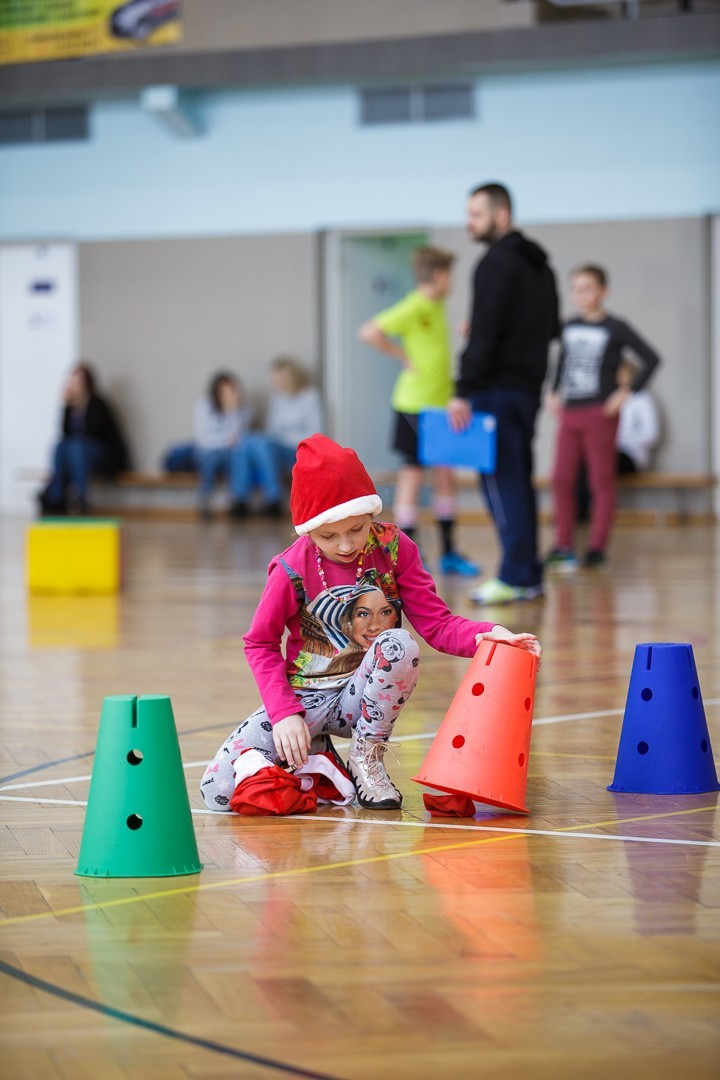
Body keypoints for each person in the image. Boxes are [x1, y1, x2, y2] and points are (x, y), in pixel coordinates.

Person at [200, 433, 541, 814]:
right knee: (216, 790)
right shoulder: (289, 568)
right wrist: (284, 716)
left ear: (371, 515)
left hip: (363, 699)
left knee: (399, 644)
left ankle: (366, 759)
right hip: (305, 700)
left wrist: (487, 634)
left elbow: (437, 624)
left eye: (356, 530)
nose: (345, 545)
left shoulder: (396, 548)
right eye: (329, 535)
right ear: (308, 529)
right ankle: (318, 760)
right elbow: (259, 643)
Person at [448, 182, 560, 606]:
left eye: (476, 214)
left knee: (500, 484)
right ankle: (528, 574)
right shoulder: (541, 266)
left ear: (501, 215)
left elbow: (488, 333)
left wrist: (463, 389)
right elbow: (549, 328)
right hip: (527, 391)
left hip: (494, 391)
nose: (469, 223)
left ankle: (514, 575)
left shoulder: (493, 263)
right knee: (519, 483)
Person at [358, 246, 479, 577]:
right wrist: (400, 354)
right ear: (440, 276)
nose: (451, 282)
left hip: (441, 408)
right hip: (412, 406)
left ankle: (449, 552)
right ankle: (405, 554)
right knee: (412, 474)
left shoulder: (438, 306)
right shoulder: (414, 305)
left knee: (444, 475)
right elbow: (369, 331)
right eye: (450, 276)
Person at [545, 264, 660, 570]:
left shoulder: (615, 327)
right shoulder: (569, 326)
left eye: (587, 288)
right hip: (571, 411)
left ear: (602, 291)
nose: (581, 295)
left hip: (600, 412)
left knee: (600, 480)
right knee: (561, 479)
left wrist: (624, 393)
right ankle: (563, 545)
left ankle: (596, 548)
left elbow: (651, 359)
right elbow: (563, 363)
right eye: (576, 289)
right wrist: (554, 391)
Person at [229, 356, 322, 518]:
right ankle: (240, 499)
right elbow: (271, 431)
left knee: (263, 444)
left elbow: (315, 432)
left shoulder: (310, 397)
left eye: (279, 378)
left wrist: (283, 438)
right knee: (245, 440)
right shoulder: (277, 399)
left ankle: (274, 497)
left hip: (298, 449)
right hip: (275, 446)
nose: (275, 382)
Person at [38, 362, 129, 516]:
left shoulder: (98, 404)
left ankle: (81, 496)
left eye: (78, 382)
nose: (74, 386)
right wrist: (66, 405)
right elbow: (65, 433)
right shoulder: (70, 407)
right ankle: (56, 495)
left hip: (101, 454)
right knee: (60, 446)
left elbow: (95, 432)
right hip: (76, 454)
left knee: (77, 447)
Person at [193, 371, 252, 520]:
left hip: (230, 452)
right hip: (208, 451)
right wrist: (226, 440)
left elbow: (239, 437)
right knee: (212, 457)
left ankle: (238, 502)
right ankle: (205, 499)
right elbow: (204, 439)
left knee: (240, 455)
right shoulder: (203, 405)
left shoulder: (242, 409)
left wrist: (232, 411)